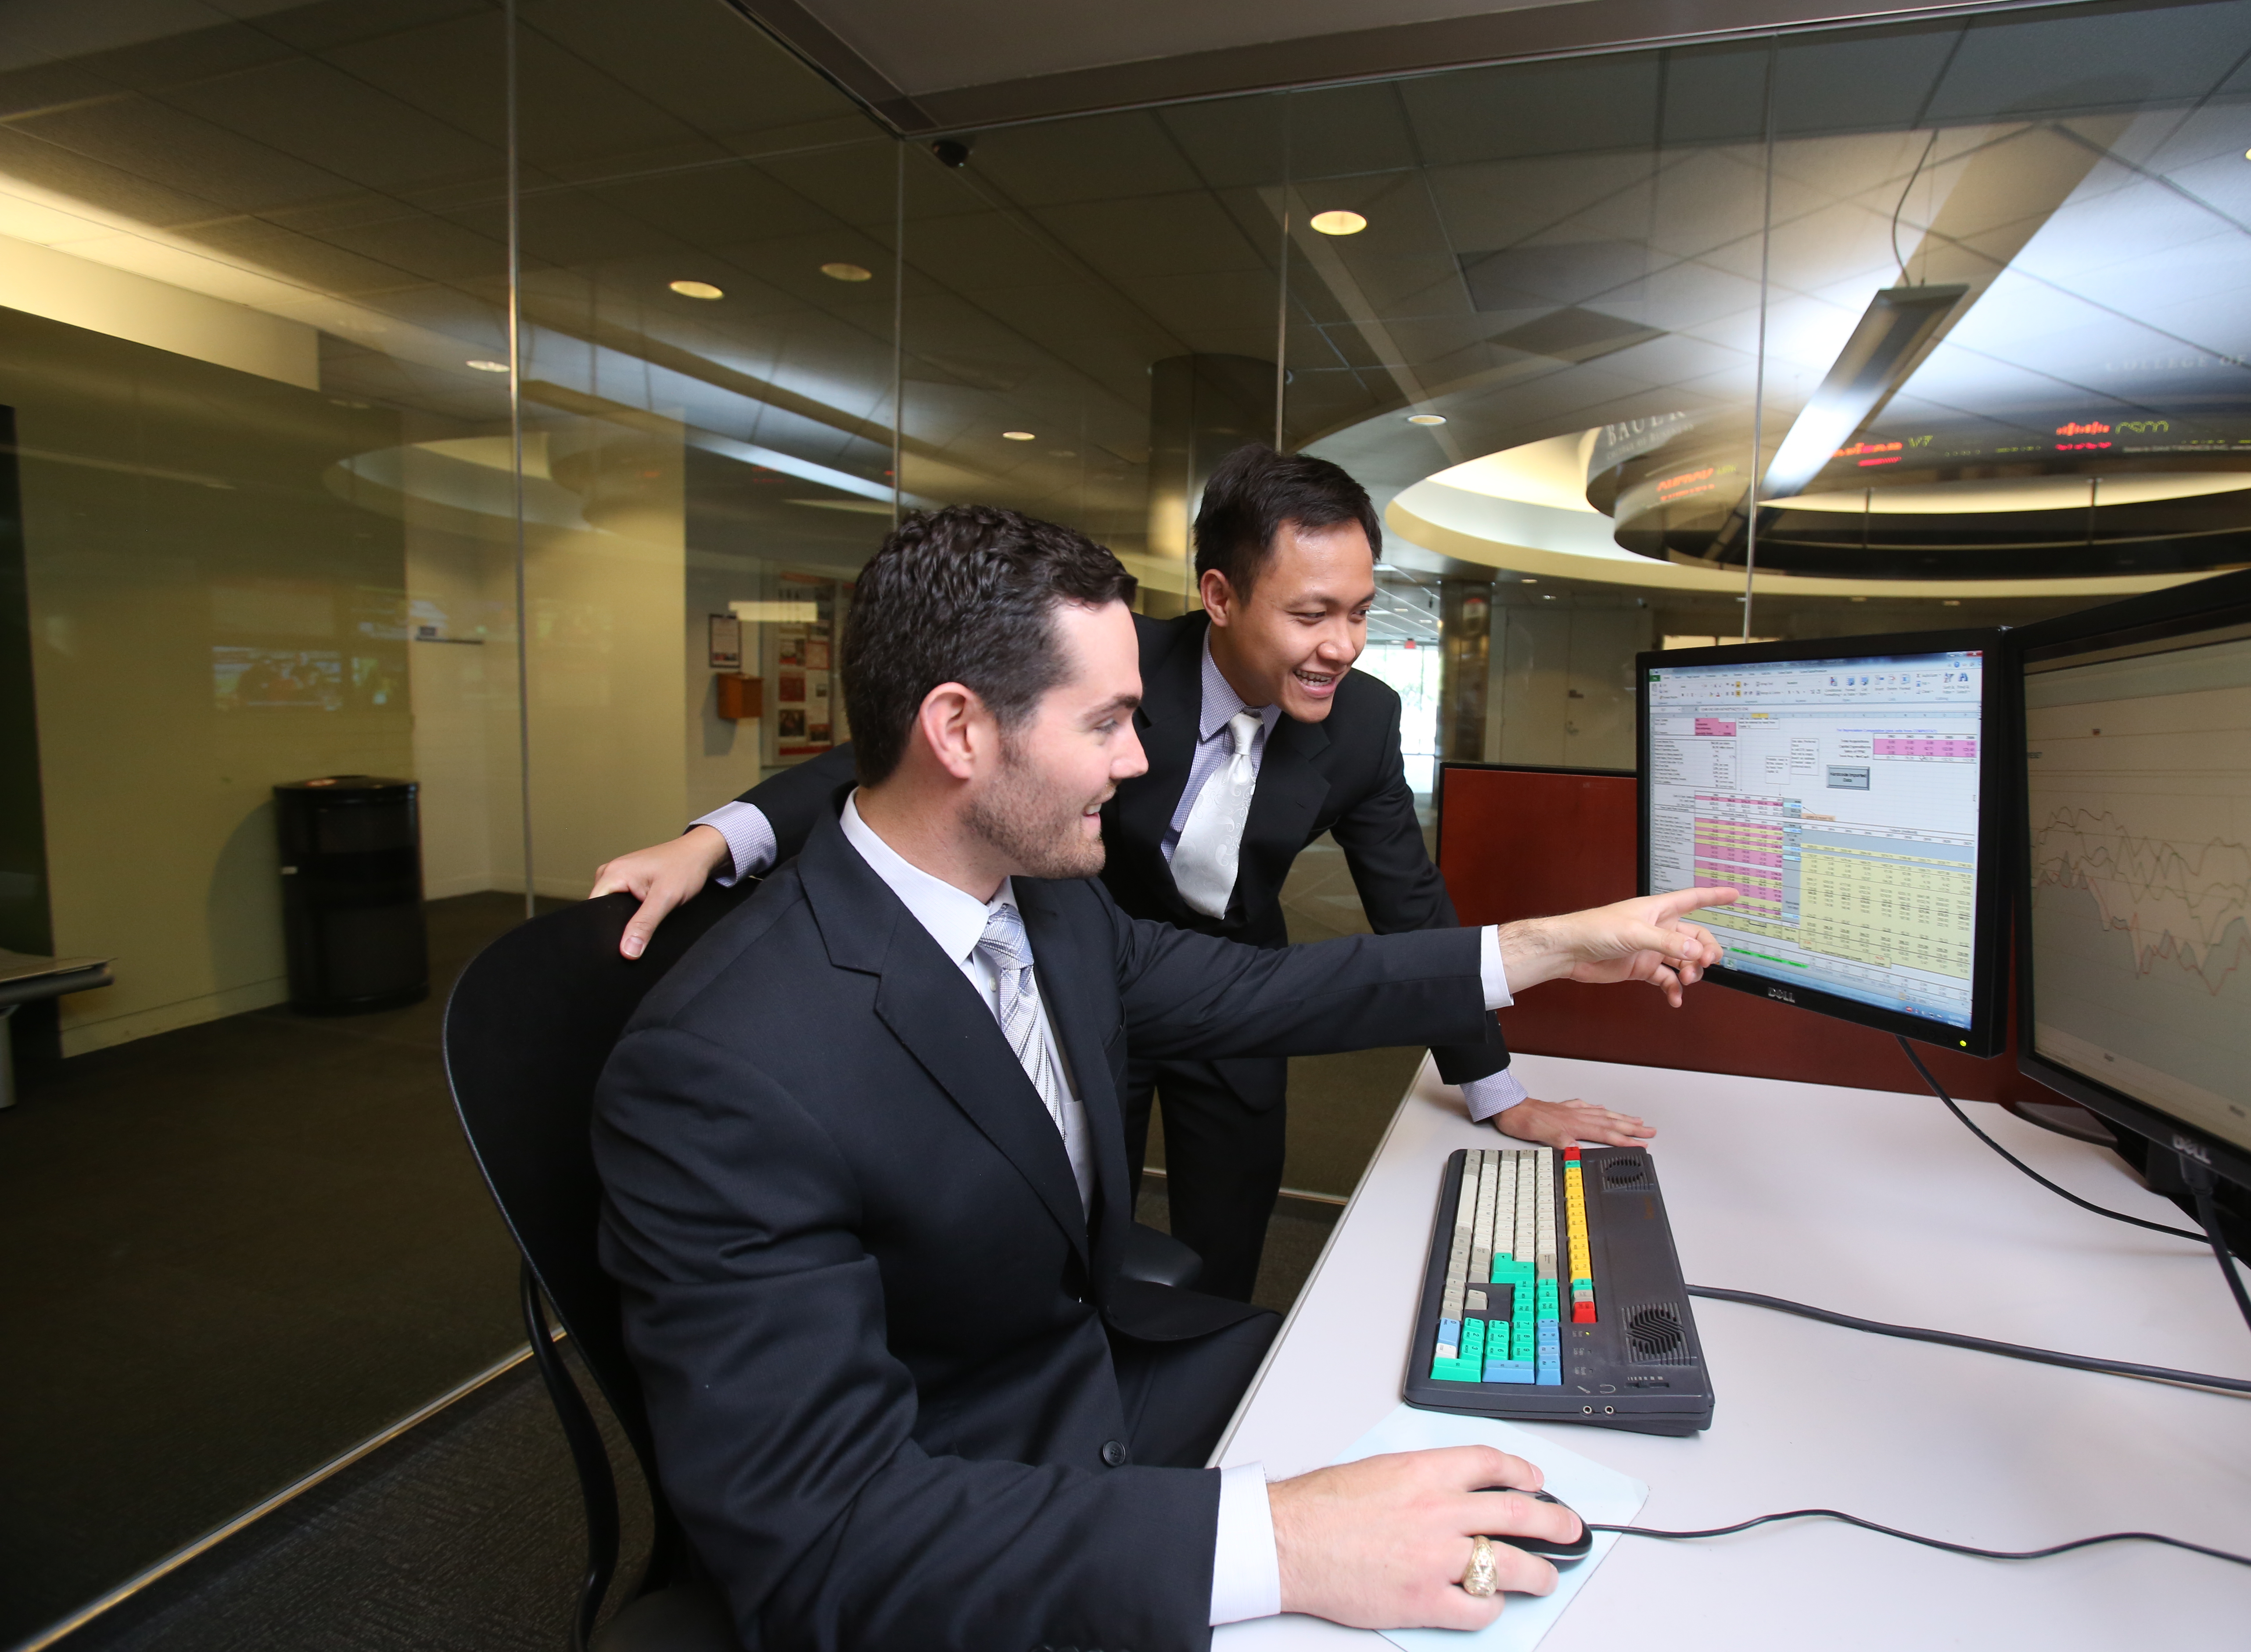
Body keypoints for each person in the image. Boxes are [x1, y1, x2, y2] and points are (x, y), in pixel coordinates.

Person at [592, 504, 1734, 1651]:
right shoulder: (722, 1070)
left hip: (1094, 1366)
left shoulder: (1051, 905)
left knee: (1499, 1464)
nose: (1139, 762)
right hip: (969, 1492)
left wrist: (1554, 945)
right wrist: (1290, 1541)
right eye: (1108, 724)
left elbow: (1276, 993)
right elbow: (825, 1541)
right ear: (959, 732)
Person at [592, 444, 1654, 1303]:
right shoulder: (1108, 659)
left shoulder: (1365, 721)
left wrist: (1497, 1083)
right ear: (1220, 597)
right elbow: (883, 758)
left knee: (1222, 1256)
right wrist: (716, 840)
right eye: (1310, 614)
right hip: (1074, 959)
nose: (1344, 646)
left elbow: (1407, 902)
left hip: (1218, 976)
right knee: (1049, 1210)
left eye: (1361, 611)